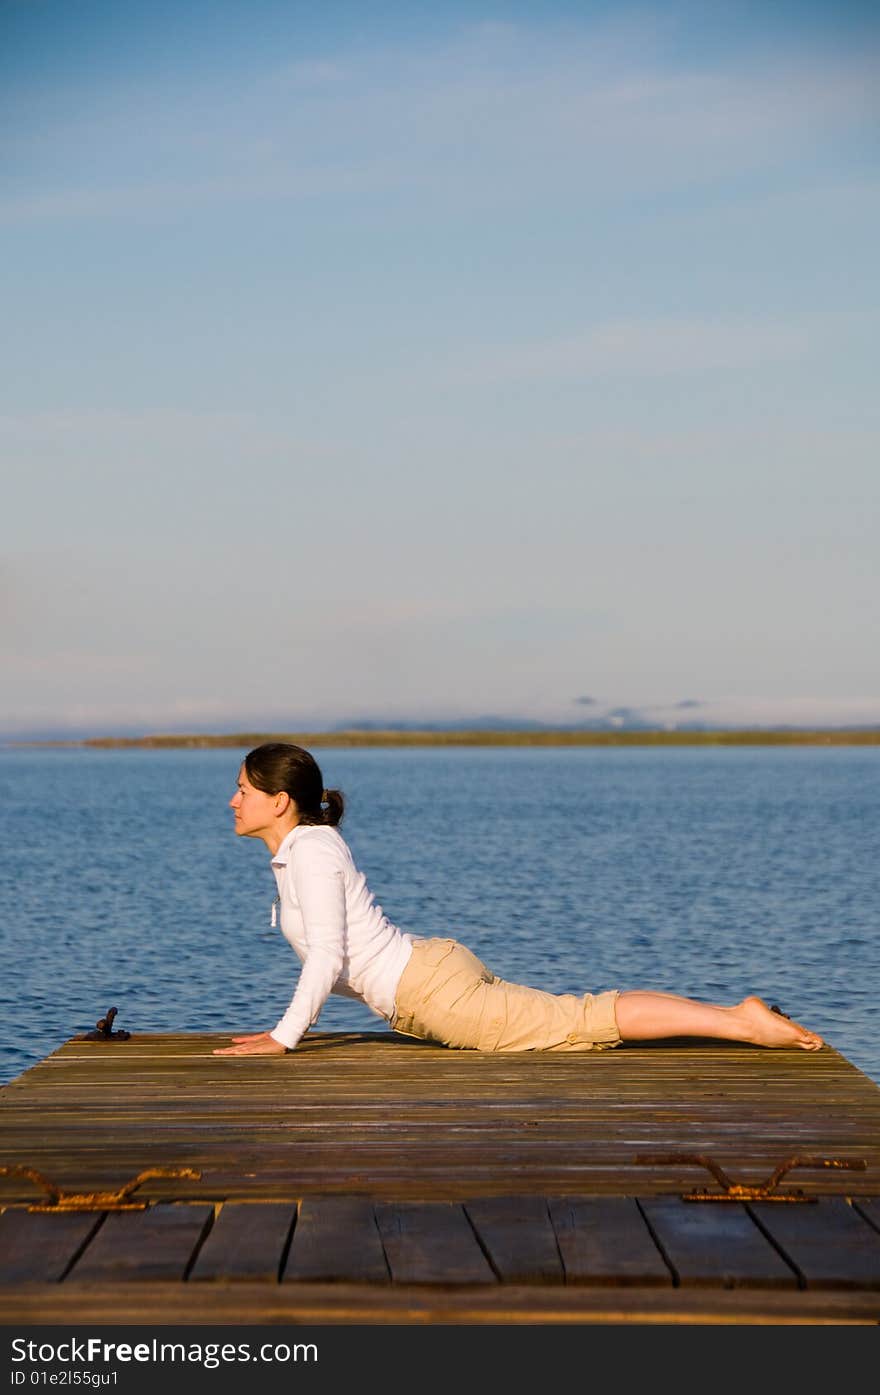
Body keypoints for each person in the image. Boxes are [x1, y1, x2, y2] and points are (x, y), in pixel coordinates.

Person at [213, 743, 824, 1058]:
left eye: (243, 789)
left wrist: (284, 1035)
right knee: (574, 1014)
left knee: (584, 1020)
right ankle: (735, 1018)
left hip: (430, 992)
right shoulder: (302, 849)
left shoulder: (313, 851)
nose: (234, 801)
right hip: (427, 976)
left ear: (280, 800)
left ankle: (740, 1023)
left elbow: (326, 955)